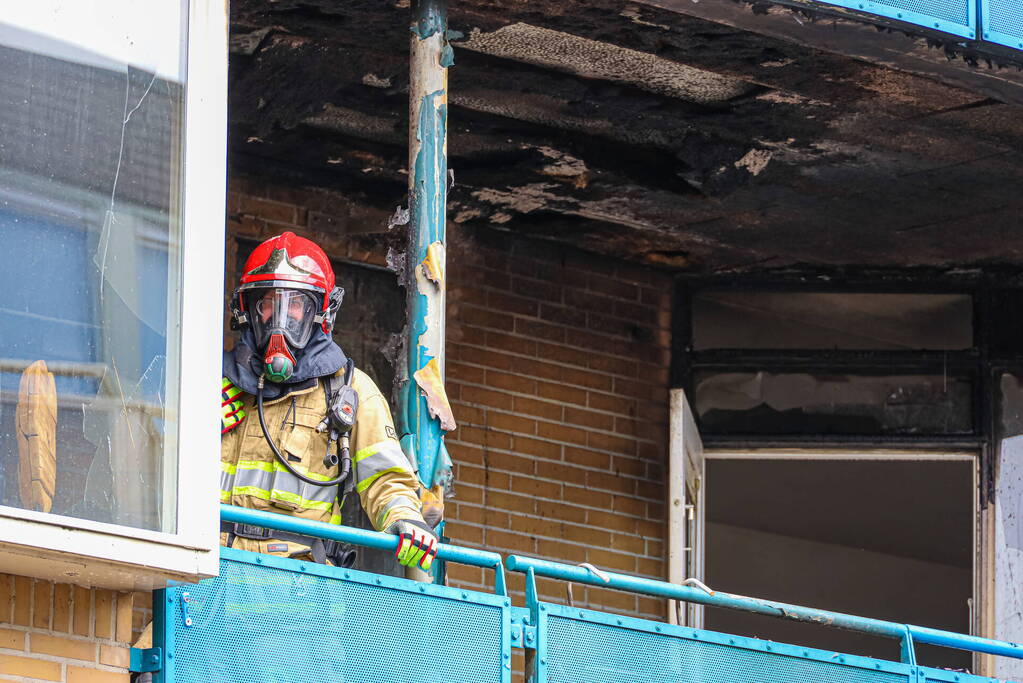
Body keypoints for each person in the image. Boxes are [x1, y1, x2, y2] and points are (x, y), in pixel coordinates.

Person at [220, 231, 437, 572]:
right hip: (204, 576)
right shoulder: (208, 383)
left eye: (294, 304)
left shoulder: (349, 391)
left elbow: (386, 479)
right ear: (248, 309)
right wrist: (192, 426)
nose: (280, 318)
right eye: (268, 303)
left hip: (296, 588)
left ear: (321, 312)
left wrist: (405, 519)